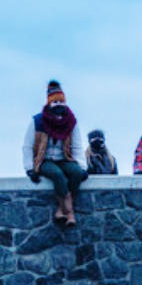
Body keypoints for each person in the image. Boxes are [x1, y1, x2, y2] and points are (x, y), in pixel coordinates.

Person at [22, 80, 87, 226]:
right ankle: (69, 211)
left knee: (76, 173)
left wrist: (83, 168)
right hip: (43, 159)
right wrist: (29, 169)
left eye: (61, 101)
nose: (58, 104)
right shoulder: (37, 121)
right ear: (49, 104)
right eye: (55, 102)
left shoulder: (71, 122)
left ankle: (61, 208)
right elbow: (27, 146)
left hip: (64, 158)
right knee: (57, 175)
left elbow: (77, 146)